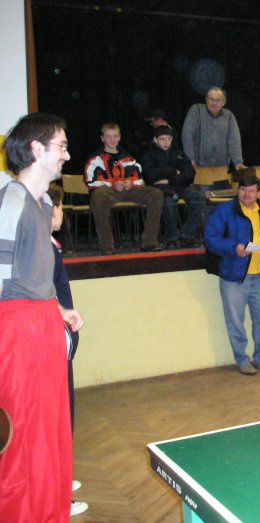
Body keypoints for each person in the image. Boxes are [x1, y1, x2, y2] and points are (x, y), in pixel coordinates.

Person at [0, 112, 84, 522]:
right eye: (61, 146)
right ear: (35, 148)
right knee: (21, 434)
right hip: (15, 330)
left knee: (50, 429)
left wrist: (59, 309)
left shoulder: (45, 203)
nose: (66, 155)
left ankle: (50, 510)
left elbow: (37, 275)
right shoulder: (11, 201)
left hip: (44, 324)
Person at [204, 174, 260, 376]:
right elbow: (210, 239)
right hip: (233, 277)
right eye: (243, 190)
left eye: (251, 190)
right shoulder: (224, 211)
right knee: (235, 322)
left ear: (259, 193)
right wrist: (233, 248)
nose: (247, 194)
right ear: (237, 191)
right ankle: (242, 360)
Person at [47, 185, 89, 517]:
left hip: (60, 342)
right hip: (51, 345)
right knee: (55, 422)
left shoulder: (51, 246)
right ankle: (56, 495)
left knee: (63, 419)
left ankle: (61, 476)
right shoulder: (42, 250)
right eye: (59, 207)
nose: (61, 213)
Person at [84, 122, 164, 254]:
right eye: (108, 137)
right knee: (97, 196)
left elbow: (139, 179)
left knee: (156, 193)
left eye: (115, 136)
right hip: (108, 192)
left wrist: (130, 183)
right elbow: (90, 182)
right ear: (102, 138)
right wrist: (113, 184)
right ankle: (107, 246)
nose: (112, 140)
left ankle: (150, 241)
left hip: (129, 190)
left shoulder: (128, 157)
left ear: (120, 137)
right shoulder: (95, 159)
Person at [141, 125, 206, 248]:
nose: (165, 142)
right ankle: (172, 239)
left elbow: (190, 174)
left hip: (180, 186)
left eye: (168, 139)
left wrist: (169, 179)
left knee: (199, 198)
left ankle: (187, 235)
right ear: (155, 140)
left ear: (171, 138)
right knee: (168, 203)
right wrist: (174, 171)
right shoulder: (148, 155)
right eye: (162, 139)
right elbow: (150, 175)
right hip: (162, 190)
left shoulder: (179, 154)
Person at [182, 87, 246, 170]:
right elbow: (187, 136)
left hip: (222, 169)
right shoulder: (196, 110)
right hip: (197, 168)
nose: (214, 103)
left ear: (223, 102)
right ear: (206, 99)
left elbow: (234, 142)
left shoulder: (229, 116)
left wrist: (238, 163)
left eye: (218, 100)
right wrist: (190, 159)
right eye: (211, 99)